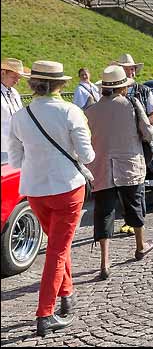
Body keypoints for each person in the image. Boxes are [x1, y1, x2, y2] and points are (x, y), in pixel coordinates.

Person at [7, 60, 95, 337]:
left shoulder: (21, 115)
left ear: (32, 84)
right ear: (61, 84)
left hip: (34, 189)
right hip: (67, 187)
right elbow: (88, 156)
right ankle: (45, 313)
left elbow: (15, 159)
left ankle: (67, 294)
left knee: (59, 245)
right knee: (57, 250)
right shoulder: (71, 112)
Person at [85, 65, 153, 280]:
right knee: (134, 204)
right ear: (123, 88)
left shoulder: (90, 110)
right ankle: (140, 245)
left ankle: (105, 260)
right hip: (129, 164)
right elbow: (148, 133)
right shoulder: (132, 105)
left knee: (104, 212)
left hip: (101, 167)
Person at [113, 54, 153, 124]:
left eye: (132, 69)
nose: (129, 72)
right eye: (125, 69)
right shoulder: (111, 90)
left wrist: (142, 127)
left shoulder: (144, 90)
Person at [1, 58, 28, 153]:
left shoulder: (15, 92)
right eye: (14, 77)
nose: (17, 81)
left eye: (19, 78)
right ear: (3, 73)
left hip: (15, 146)